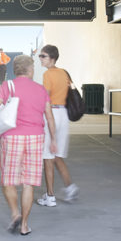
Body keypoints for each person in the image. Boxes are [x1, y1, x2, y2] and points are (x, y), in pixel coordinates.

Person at [0, 53, 54, 236]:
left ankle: (15, 213)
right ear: (30, 69)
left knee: (9, 180)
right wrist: (54, 139)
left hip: (12, 138)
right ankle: (25, 225)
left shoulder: (7, 86)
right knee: (28, 184)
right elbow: (49, 117)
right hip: (35, 138)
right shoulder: (41, 90)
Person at [36, 44, 78, 206]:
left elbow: (45, 98)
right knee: (57, 155)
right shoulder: (64, 73)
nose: (40, 58)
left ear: (52, 58)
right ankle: (70, 187)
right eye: (40, 56)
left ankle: (50, 196)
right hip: (64, 114)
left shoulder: (48, 75)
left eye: (43, 56)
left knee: (48, 156)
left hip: (51, 114)